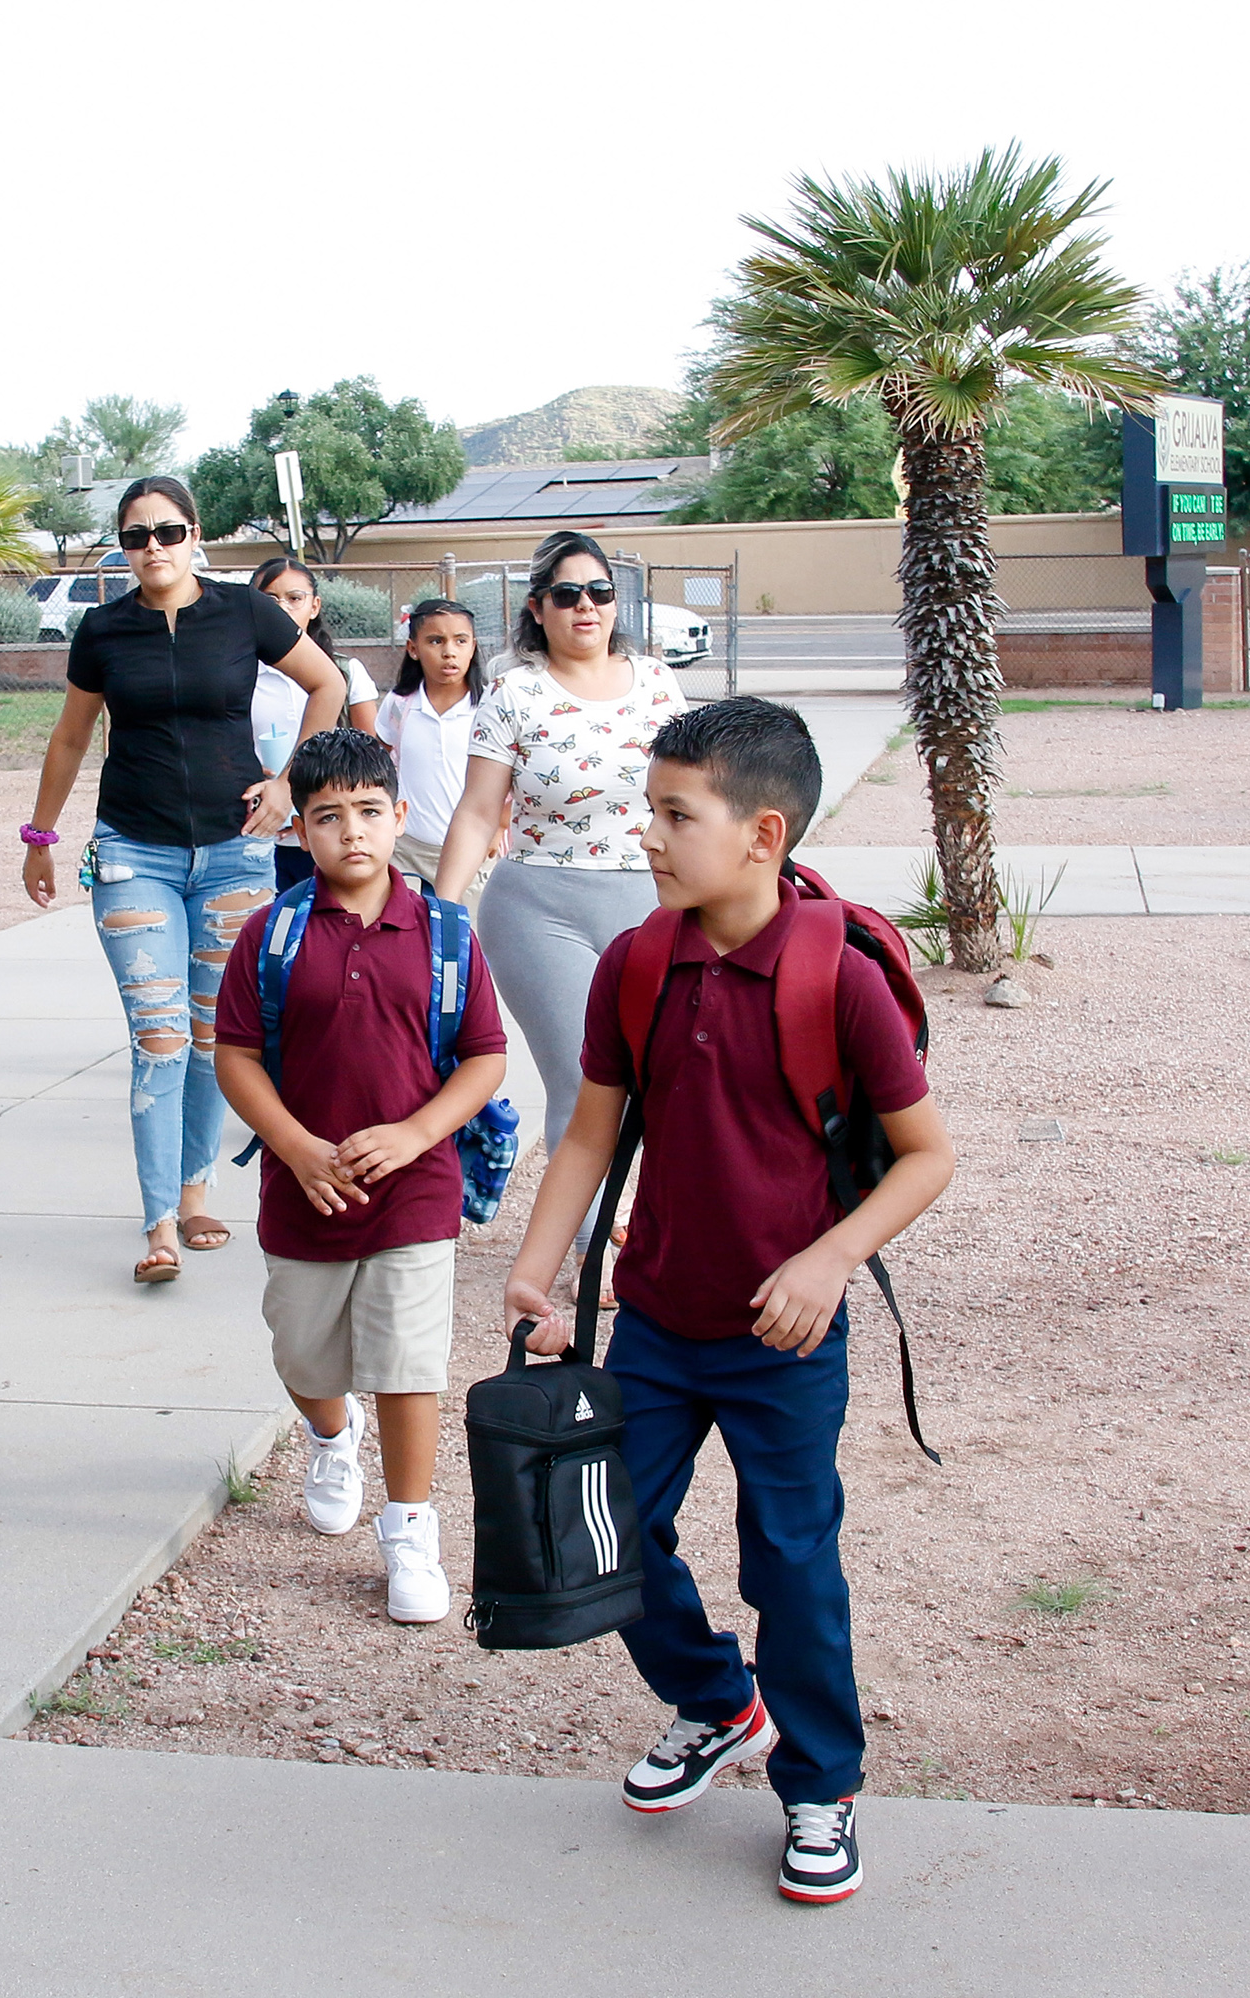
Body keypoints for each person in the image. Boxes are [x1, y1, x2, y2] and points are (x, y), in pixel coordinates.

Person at [504, 698, 953, 1906]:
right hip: (653, 1320)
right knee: (603, 1535)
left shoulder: (839, 979)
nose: (643, 834)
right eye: (647, 808)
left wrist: (829, 1260)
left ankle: (822, 1782)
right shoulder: (638, 963)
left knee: (792, 1564)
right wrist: (538, 1271)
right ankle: (718, 1700)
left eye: (671, 814)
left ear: (763, 832)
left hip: (784, 1338)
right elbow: (592, 1132)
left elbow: (926, 1155)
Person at [23, 477, 346, 1283]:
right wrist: (39, 835)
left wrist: (288, 786)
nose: (154, 548)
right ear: (123, 547)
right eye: (137, 537)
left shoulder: (245, 612)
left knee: (212, 1038)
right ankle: (159, 1220)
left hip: (236, 855)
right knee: (159, 1037)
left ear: (195, 535)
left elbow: (328, 685)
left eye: (168, 532)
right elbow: (69, 738)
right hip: (134, 851)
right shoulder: (102, 630)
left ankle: (197, 1192)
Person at [216, 729, 506, 1623]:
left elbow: (485, 1059)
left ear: (401, 817)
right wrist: (297, 1148)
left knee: (407, 1362)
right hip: (303, 1187)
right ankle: (330, 1435)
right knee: (302, 1351)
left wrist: (420, 1133)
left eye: (370, 813)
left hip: (415, 1192)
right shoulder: (272, 933)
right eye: (328, 817)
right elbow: (234, 1055)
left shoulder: (446, 934)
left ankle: (410, 1529)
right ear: (299, 831)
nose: (353, 833)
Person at [434, 529, 687, 1158]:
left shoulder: (658, 684)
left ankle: (656, 1230)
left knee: (670, 1078)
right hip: (539, 908)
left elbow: (697, 796)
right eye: (567, 593)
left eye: (599, 591)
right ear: (537, 606)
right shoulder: (514, 694)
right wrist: (438, 912)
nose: (586, 606)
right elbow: (476, 811)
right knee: (584, 1080)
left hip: (659, 904)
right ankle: (590, 1247)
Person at [250, 556, 383, 892]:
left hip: (333, 833)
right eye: (269, 600)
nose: (282, 608)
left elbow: (369, 755)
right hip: (262, 831)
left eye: (295, 598)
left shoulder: (345, 672)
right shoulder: (240, 676)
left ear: (314, 606)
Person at [375, 597, 485, 893]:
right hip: (408, 854)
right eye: (436, 641)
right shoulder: (399, 706)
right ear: (413, 648)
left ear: (473, 646)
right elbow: (380, 766)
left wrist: (498, 827)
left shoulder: (489, 707)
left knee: (468, 936)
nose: (449, 652)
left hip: (474, 856)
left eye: (460, 641)